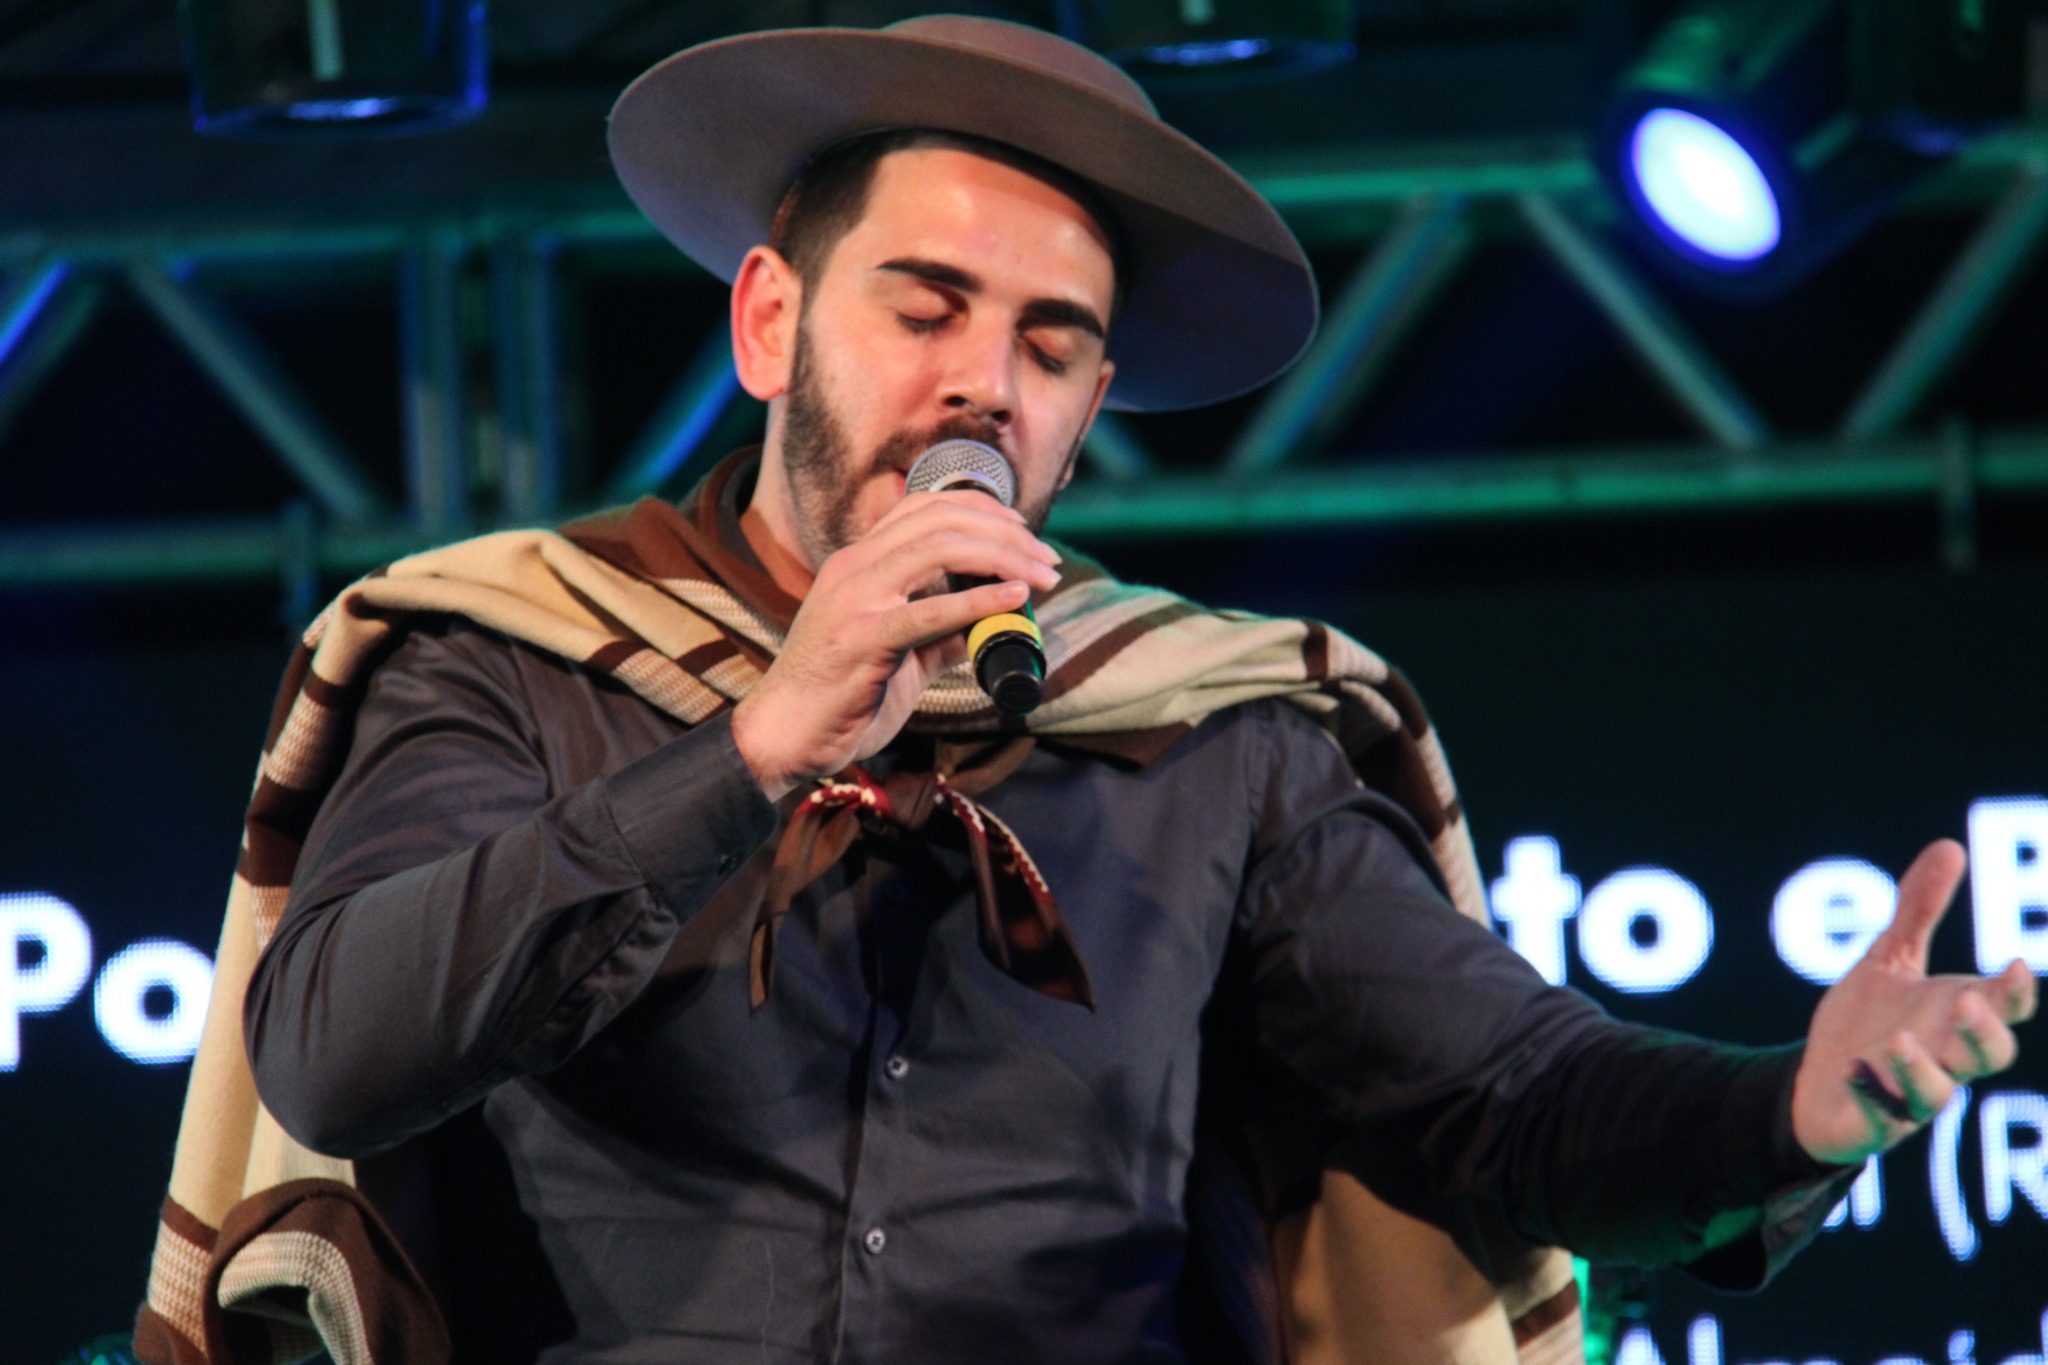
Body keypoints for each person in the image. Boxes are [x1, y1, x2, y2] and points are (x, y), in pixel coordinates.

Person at [134, 16, 2035, 1365]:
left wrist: (1791, 1109)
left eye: (1051, 346)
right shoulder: (511, 651)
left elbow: (1509, 1097)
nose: (985, 380)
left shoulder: (1211, 728)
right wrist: (754, 745)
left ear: (1090, 404)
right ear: (773, 321)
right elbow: (336, 1049)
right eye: (926, 307)